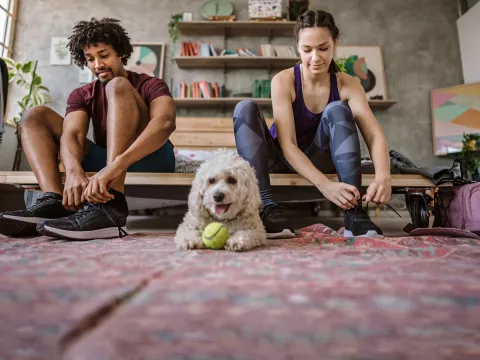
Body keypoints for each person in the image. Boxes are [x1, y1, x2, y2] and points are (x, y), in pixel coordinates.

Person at [0, 18, 176, 240]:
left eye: (104, 55)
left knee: (118, 85)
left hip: (152, 157)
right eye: (90, 59)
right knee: (34, 115)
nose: (97, 65)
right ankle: (53, 202)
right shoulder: (82, 94)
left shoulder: (150, 84)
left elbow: (165, 122)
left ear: (121, 52)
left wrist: (115, 166)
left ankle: (111, 207)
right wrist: (73, 171)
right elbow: (71, 134)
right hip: (106, 161)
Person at [233, 10, 391, 238]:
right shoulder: (284, 80)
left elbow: (374, 135)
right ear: (298, 46)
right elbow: (288, 145)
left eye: (323, 48)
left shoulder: (349, 84)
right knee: (244, 108)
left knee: (337, 108)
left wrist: (383, 177)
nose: (315, 57)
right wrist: (325, 186)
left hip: (320, 158)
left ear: (335, 42)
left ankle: (353, 214)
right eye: (307, 50)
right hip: (280, 158)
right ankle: (266, 207)